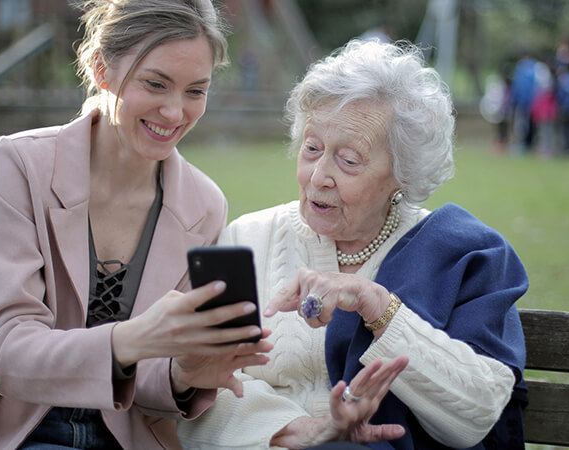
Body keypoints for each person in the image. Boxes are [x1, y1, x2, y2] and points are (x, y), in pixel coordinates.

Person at [0, 1, 273, 448]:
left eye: (196, 91)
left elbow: (152, 382)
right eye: (156, 84)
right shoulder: (17, 166)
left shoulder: (204, 204)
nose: (175, 113)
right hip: (25, 432)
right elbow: (7, 352)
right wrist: (130, 339)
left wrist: (183, 372)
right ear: (101, 69)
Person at [177, 39, 529, 449]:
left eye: (348, 160)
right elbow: (194, 390)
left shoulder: (461, 253)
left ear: (403, 175)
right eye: (311, 149)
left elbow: (479, 412)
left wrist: (376, 305)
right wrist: (297, 431)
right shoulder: (247, 238)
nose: (318, 176)